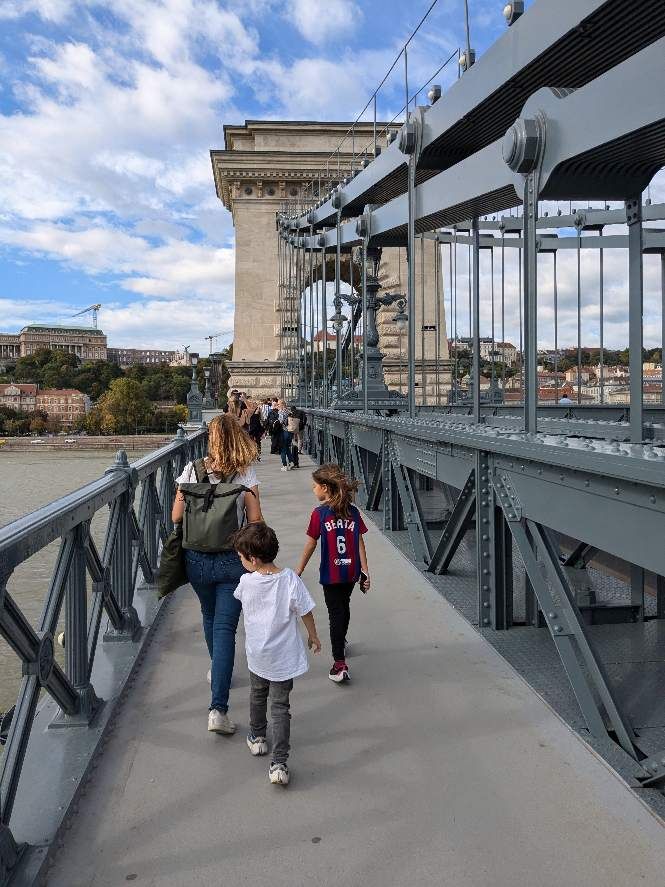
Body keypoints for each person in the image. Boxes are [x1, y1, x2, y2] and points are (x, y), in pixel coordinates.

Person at [172, 414, 263, 735]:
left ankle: (217, 671)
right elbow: (256, 521)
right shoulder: (245, 473)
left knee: (209, 616)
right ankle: (218, 710)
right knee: (225, 628)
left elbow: (176, 516)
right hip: (231, 559)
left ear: (211, 440)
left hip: (196, 558)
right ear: (237, 437)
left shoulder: (192, 469)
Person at [233, 523, 321, 786]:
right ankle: (279, 763)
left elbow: (241, 601)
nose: (240, 562)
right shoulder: (290, 579)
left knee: (257, 694)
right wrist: (313, 636)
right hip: (283, 657)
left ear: (254, 559)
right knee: (281, 707)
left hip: (258, 655)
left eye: (241, 557)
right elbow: (305, 610)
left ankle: (258, 736)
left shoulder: (246, 582)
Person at [296, 464, 370, 684]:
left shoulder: (319, 514)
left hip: (332, 573)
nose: (313, 489)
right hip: (351, 571)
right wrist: (365, 571)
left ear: (325, 488)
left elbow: (311, 544)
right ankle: (342, 642)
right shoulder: (352, 511)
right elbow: (359, 541)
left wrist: (299, 569)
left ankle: (339, 664)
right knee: (343, 606)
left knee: (335, 614)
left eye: (315, 485)